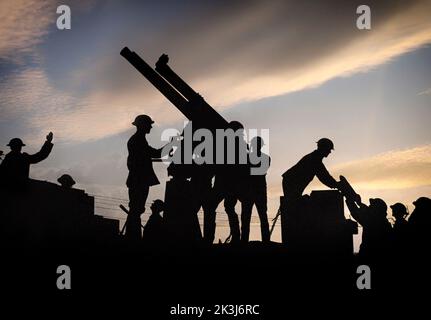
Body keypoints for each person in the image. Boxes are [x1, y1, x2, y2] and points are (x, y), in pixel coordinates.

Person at [126, 114, 174, 241]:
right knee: (136, 209)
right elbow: (155, 153)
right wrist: (171, 145)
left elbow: (152, 154)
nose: (151, 127)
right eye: (149, 125)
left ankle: (132, 237)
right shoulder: (138, 141)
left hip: (138, 180)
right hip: (139, 181)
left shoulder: (138, 140)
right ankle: (133, 238)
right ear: (143, 126)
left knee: (136, 209)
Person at [203, 121, 248, 244]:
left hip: (223, 183)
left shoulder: (224, 144)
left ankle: (208, 238)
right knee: (228, 208)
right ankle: (236, 237)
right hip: (231, 184)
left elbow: (216, 163)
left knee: (212, 207)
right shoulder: (242, 146)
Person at [241, 136, 270, 243]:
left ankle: (245, 240)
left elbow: (247, 173)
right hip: (256, 190)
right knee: (254, 217)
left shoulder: (246, 158)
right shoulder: (265, 158)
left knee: (252, 217)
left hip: (253, 191)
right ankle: (264, 241)